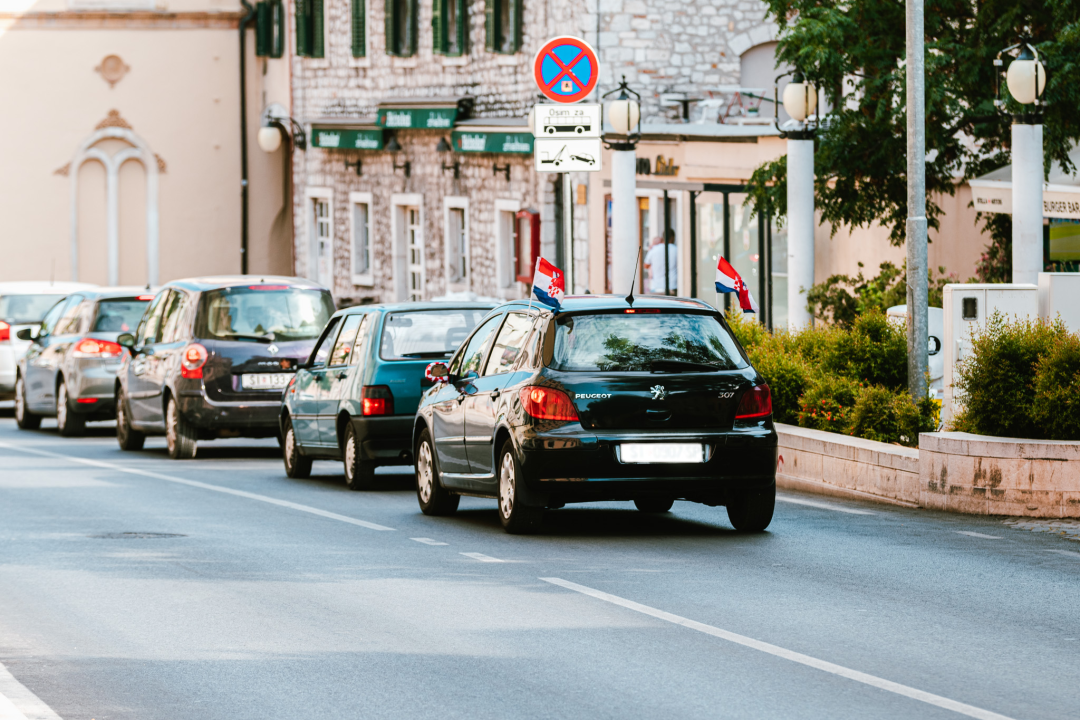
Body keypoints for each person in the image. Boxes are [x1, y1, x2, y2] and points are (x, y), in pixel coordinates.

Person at [644, 230, 678, 295]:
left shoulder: (654, 250)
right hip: (672, 287)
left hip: (656, 288)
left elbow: (646, 265)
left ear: (663, 238)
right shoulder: (676, 249)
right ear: (672, 238)